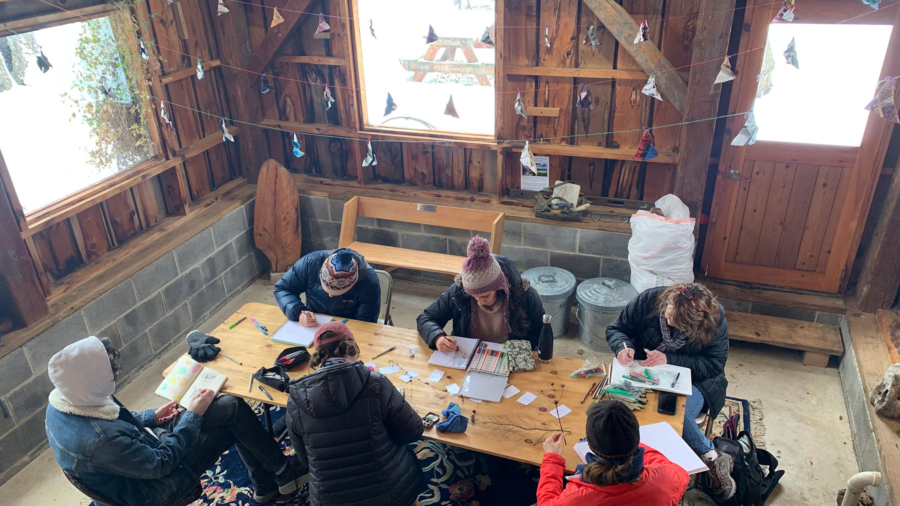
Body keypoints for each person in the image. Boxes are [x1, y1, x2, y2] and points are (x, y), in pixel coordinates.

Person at [45, 336, 307, 506]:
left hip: (140, 452)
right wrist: (192, 414)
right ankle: (280, 475)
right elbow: (161, 464)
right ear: (91, 378)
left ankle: (270, 483)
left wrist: (152, 416)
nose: (113, 378)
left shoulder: (67, 399)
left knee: (230, 406)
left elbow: (113, 418)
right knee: (232, 421)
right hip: (154, 488)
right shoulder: (100, 442)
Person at [606, 282, 734, 501]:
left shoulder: (714, 318)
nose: (668, 321)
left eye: (676, 322)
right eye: (667, 314)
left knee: (674, 413)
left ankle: (712, 456)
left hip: (697, 380)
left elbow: (714, 365)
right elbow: (616, 329)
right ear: (668, 301)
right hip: (645, 373)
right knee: (621, 407)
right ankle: (631, 465)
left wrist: (670, 359)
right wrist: (623, 346)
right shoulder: (649, 299)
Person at [285, 322, 424, 506]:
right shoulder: (376, 383)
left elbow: (305, 459)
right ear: (352, 348)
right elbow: (413, 432)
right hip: (391, 493)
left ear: (319, 357)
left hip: (331, 500)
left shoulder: (295, 400)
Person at [537, 400, 689, 505]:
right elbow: (680, 474)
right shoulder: (666, 479)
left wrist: (552, 459)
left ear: (590, 445)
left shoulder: (577, 498)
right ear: (636, 438)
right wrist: (633, 446)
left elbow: (545, 502)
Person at [417, 235, 544, 351]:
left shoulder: (523, 295)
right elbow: (425, 318)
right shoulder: (458, 292)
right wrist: (437, 337)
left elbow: (542, 331)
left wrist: (524, 352)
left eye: (485, 296)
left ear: (499, 286)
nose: (480, 302)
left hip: (510, 356)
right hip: (469, 355)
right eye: (474, 297)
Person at [274, 248, 381, 325]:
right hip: (314, 321)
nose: (330, 295)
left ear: (353, 284)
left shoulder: (369, 282)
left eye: (337, 293)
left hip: (347, 326)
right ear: (320, 274)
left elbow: (366, 324)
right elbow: (283, 288)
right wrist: (298, 312)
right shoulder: (310, 263)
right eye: (327, 290)